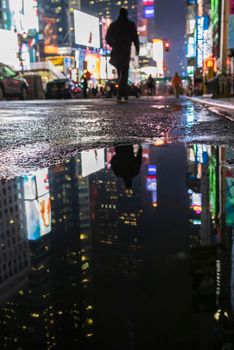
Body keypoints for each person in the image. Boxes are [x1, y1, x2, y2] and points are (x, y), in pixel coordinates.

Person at [106, 8, 139, 102]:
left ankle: (121, 93)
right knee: (124, 72)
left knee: (120, 71)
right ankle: (123, 93)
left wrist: (114, 44)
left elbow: (107, 38)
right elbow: (135, 38)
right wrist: (137, 49)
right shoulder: (130, 25)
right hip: (125, 51)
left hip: (117, 51)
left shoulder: (113, 25)